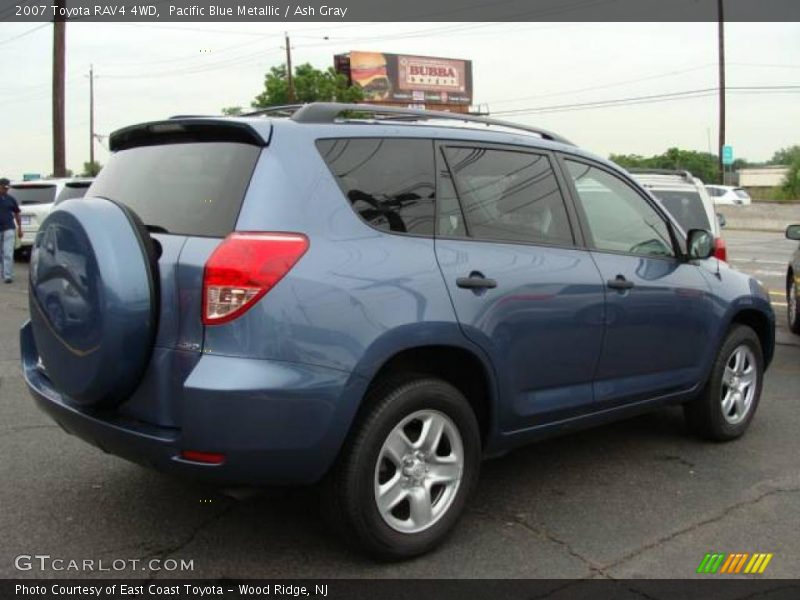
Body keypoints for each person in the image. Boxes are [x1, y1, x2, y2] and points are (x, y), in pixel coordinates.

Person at [0, 177, 22, 283]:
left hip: (9, 228)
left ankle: (7, 275)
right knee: (1, 253)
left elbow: (17, 213)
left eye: (7, 188)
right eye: (4, 188)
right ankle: (2, 273)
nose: (6, 190)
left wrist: (20, 228)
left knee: (8, 252)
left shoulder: (11, 199)